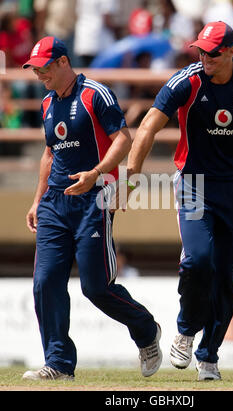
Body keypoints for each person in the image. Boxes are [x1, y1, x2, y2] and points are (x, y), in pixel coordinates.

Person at [123, 21, 233, 381]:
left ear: (231, 51)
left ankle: (209, 356)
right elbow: (150, 125)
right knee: (199, 260)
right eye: (199, 50)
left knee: (225, 277)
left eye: (212, 52)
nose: (204, 58)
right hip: (194, 183)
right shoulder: (187, 80)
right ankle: (186, 329)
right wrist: (132, 173)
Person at [21, 36, 162, 380]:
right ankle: (58, 363)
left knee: (96, 287)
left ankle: (145, 330)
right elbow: (49, 154)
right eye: (35, 68)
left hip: (94, 198)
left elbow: (123, 139)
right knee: (45, 282)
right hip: (56, 202)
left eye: (44, 67)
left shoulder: (94, 94)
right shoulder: (47, 104)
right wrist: (38, 199)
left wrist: (96, 174)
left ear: (64, 62)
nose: (39, 73)